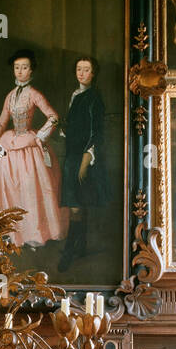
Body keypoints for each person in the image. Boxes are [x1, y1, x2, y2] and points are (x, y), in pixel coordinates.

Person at [0, 49, 67, 247]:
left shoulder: (34, 94)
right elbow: (1, 123)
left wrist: (39, 136)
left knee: (29, 188)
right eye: (17, 68)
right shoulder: (10, 96)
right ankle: (12, 231)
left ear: (31, 71)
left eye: (24, 68)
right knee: (8, 184)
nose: (20, 72)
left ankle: (33, 233)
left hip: (29, 148)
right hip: (11, 145)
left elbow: (54, 117)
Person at [60, 55, 107, 264]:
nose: (82, 73)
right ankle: (81, 246)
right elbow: (77, 126)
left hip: (84, 157)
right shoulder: (76, 94)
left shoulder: (94, 98)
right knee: (76, 204)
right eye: (79, 69)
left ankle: (69, 251)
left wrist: (86, 159)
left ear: (93, 73)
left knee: (77, 205)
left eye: (86, 69)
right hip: (72, 155)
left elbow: (97, 132)